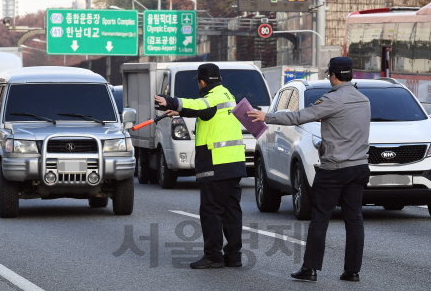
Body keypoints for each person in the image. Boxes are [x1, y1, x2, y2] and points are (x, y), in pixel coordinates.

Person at [248, 57, 371, 282]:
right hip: (359, 167)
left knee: (320, 218)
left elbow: (299, 116)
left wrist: (267, 116)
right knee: (354, 220)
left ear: (333, 76)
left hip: (334, 169)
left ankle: (310, 269)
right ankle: (352, 271)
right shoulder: (363, 100)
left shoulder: (333, 100)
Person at [154, 63, 246, 269]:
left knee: (211, 211)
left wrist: (171, 102)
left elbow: (200, 105)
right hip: (234, 163)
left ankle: (213, 256)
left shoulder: (212, 98)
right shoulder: (227, 95)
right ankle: (234, 256)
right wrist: (178, 112)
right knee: (231, 210)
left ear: (202, 82)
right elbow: (206, 112)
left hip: (217, 164)